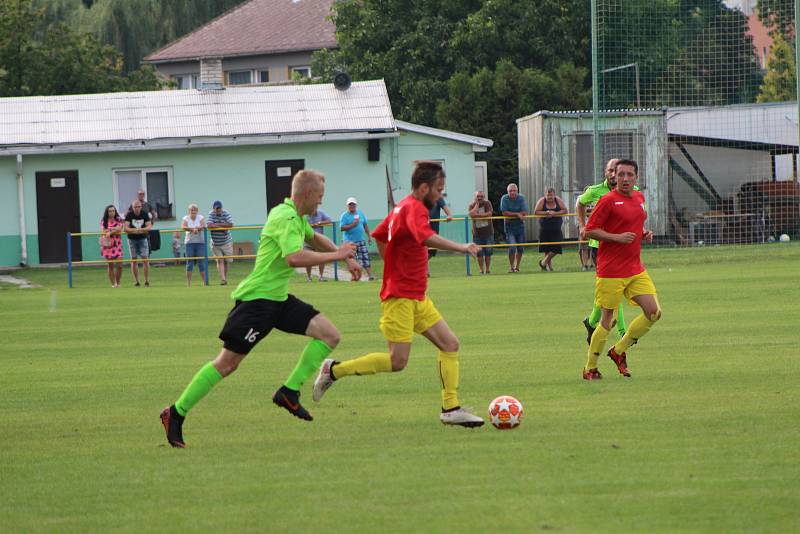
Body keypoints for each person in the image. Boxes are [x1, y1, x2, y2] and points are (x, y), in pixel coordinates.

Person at [160, 170, 361, 448]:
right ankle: (176, 412)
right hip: (257, 302)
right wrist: (338, 255)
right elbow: (294, 258)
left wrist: (345, 256)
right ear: (307, 194)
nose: (320, 203)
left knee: (330, 335)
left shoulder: (295, 215)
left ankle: (289, 391)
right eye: (320, 197)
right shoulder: (285, 217)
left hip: (277, 299)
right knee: (227, 364)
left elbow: (314, 239)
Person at [312, 161, 485, 428]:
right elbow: (425, 237)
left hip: (416, 296)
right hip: (400, 297)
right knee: (397, 361)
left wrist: (392, 264)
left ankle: (450, 408)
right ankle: (333, 370)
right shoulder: (414, 208)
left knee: (450, 344)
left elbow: (380, 236)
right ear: (424, 187)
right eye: (438, 189)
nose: (440, 195)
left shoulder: (400, 207)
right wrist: (461, 247)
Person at [582, 159, 660, 380]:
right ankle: (590, 368)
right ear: (614, 176)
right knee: (609, 321)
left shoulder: (639, 197)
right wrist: (617, 238)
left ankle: (618, 351)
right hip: (610, 271)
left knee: (654, 313)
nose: (625, 179)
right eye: (621, 174)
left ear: (636, 177)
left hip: (635, 268)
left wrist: (643, 233)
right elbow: (590, 231)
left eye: (630, 175)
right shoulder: (607, 201)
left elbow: (634, 222)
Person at [576, 158, 631, 343]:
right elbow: (580, 203)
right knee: (614, 289)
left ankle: (591, 322)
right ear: (606, 172)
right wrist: (583, 226)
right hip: (599, 247)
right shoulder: (595, 191)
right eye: (611, 170)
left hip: (621, 248)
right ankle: (623, 331)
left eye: (618, 170)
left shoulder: (631, 191)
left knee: (608, 291)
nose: (615, 174)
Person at [533, 187, 568, 272]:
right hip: (545, 229)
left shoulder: (558, 200)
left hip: (556, 229)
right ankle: (548, 267)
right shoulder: (542, 201)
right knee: (546, 248)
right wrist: (547, 213)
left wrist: (555, 213)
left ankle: (543, 262)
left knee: (557, 247)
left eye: (551, 195)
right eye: (548, 195)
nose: (549, 197)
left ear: (554, 195)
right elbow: (536, 212)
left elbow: (565, 211)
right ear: (545, 195)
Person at [340, 197, 375, 281]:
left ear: (356, 205)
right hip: (350, 242)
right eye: (350, 204)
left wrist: (369, 236)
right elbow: (342, 228)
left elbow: (365, 225)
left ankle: (370, 276)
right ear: (347, 206)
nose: (352, 206)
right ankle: (355, 277)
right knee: (353, 260)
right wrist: (353, 224)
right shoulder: (344, 215)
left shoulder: (360, 213)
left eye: (353, 204)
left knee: (365, 257)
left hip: (361, 240)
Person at [500, 183, 528, 273]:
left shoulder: (521, 198)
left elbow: (524, 212)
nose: (512, 192)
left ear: (517, 191)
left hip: (520, 226)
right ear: (507, 191)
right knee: (512, 247)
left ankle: (517, 267)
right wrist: (517, 214)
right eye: (510, 191)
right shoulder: (504, 198)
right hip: (509, 227)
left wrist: (515, 214)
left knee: (520, 248)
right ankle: (511, 267)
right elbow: (504, 212)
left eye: (514, 191)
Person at [124, 199, 152, 287]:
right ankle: (137, 282)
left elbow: (149, 226)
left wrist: (141, 230)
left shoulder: (144, 214)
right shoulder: (129, 215)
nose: (137, 208)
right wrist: (134, 231)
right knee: (134, 260)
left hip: (143, 239)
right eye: (135, 207)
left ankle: (147, 281)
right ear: (132, 207)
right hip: (132, 240)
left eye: (138, 206)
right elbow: (125, 228)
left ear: (141, 207)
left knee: (145, 259)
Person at [207, 200, 234, 285]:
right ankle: (223, 279)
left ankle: (224, 278)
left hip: (226, 242)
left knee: (227, 261)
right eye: (216, 209)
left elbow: (231, 224)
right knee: (220, 260)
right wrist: (222, 225)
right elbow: (209, 225)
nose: (218, 210)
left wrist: (217, 225)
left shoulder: (226, 213)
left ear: (222, 208)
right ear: (213, 209)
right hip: (215, 243)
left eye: (219, 208)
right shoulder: (211, 214)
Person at [467, 190, 494, 274]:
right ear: (475, 197)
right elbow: (471, 214)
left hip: (488, 232)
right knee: (479, 253)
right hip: (477, 233)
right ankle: (481, 270)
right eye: (478, 196)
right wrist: (477, 206)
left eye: (481, 196)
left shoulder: (487, 203)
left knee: (488, 252)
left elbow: (489, 214)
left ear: (484, 197)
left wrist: (477, 216)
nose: (480, 198)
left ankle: (488, 269)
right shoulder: (471, 205)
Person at [182, 203, 207, 286]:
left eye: (195, 210)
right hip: (189, 243)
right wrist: (193, 230)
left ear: (197, 211)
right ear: (189, 211)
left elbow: (203, 225)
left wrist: (197, 229)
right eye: (191, 210)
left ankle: (204, 282)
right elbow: (183, 226)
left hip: (200, 242)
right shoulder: (186, 218)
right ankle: (188, 282)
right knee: (190, 263)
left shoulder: (201, 217)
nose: (193, 211)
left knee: (201, 262)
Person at [304, 207, 332, 281]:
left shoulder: (321, 213)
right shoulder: (305, 216)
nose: (314, 212)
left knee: (321, 259)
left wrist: (320, 223)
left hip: (319, 241)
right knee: (308, 260)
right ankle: (309, 277)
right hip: (308, 241)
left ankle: (321, 276)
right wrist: (311, 226)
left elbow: (329, 221)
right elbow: (301, 226)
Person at [100, 205, 124, 288]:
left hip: (117, 245)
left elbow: (120, 229)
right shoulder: (104, 220)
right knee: (110, 265)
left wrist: (110, 232)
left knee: (120, 265)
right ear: (107, 212)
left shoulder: (119, 219)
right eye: (110, 211)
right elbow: (104, 231)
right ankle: (113, 284)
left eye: (113, 211)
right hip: (108, 245)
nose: (112, 212)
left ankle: (118, 282)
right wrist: (114, 229)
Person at [427, 194, 453, 270]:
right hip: (423, 227)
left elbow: (447, 211)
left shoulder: (438, 197)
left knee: (432, 251)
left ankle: (423, 267)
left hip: (434, 228)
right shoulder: (421, 196)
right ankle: (424, 270)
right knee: (423, 249)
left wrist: (449, 215)